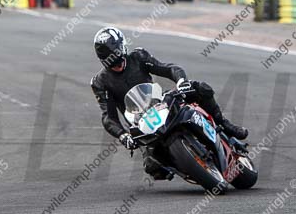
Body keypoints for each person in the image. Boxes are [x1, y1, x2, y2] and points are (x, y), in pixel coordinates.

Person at [90, 27, 248, 180]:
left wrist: (181, 82)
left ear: (123, 48)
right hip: (141, 125)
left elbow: (169, 68)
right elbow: (108, 117)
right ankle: (190, 166)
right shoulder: (100, 82)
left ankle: (224, 124)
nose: (117, 66)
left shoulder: (138, 57)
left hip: (160, 104)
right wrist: (123, 135)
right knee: (153, 167)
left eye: (118, 59)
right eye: (112, 63)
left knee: (200, 89)